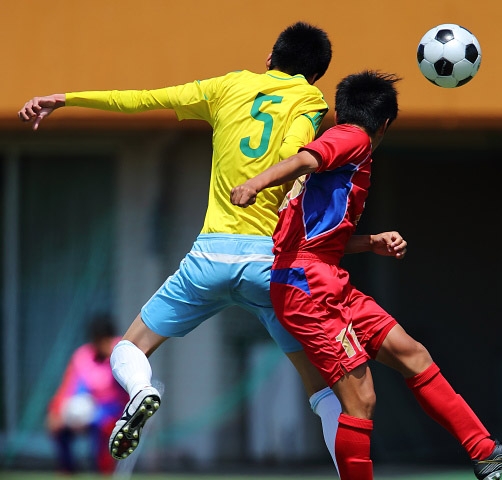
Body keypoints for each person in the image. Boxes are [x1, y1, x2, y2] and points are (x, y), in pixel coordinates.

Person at [18, 22, 345, 468]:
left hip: (210, 257)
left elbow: (142, 99)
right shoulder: (310, 99)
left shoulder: (228, 86)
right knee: (323, 392)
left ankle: (140, 391)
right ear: (315, 74)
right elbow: (296, 157)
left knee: (127, 349)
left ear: (271, 57)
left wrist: (67, 98)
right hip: (269, 264)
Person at [230, 70, 502, 480]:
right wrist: (255, 184)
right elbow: (305, 158)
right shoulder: (354, 139)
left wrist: (371, 242)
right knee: (360, 399)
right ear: (383, 125)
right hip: (308, 288)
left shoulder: (342, 163)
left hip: (324, 278)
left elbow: (312, 240)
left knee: (412, 355)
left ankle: (485, 451)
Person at [47, 314, 129, 474]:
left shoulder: (123, 354)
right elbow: (68, 387)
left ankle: (105, 472)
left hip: (114, 413)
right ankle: (67, 471)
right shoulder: (82, 356)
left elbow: (128, 393)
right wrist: (56, 411)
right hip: (87, 410)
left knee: (101, 430)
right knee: (59, 428)